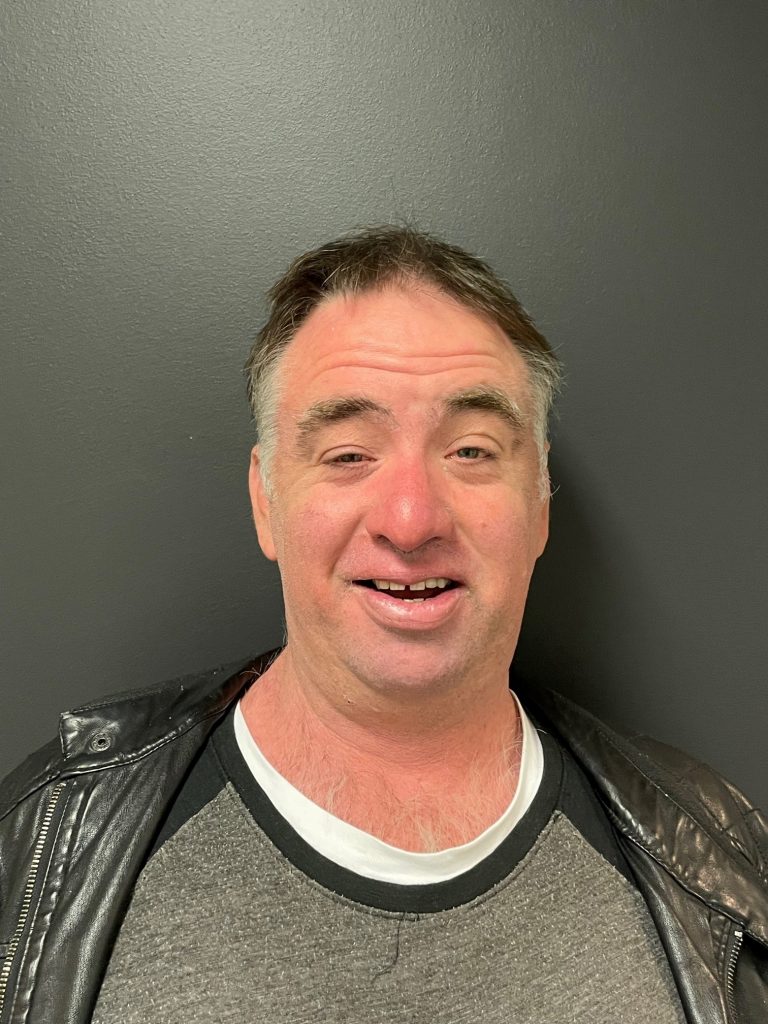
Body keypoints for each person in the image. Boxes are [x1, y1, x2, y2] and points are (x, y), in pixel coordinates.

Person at [0, 227, 765, 1024]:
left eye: (471, 451)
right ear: (266, 501)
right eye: (347, 454)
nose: (410, 520)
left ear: (540, 503)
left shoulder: (724, 862)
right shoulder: (41, 847)